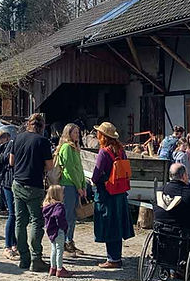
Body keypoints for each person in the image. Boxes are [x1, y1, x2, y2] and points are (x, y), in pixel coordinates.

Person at [10, 113, 53, 272]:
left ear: (29, 124)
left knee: (20, 221)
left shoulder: (18, 137)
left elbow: (11, 161)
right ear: (42, 127)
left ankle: (24, 258)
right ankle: (36, 258)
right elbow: (49, 166)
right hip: (34, 185)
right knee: (36, 221)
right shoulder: (42, 141)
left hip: (18, 183)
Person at [91, 122, 135, 269]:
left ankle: (113, 259)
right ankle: (116, 256)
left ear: (102, 136)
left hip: (107, 193)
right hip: (120, 192)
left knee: (109, 225)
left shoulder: (104, 152)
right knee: (117, 225)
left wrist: (95, 181)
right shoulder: (120, 150)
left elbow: (96, 176)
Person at [154, 163, 190, 251]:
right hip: (183, 232)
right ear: (184, 176)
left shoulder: (159, 191)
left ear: (170, 175)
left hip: (161, 230)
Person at [56, 123, 86, 257]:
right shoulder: (67, 148)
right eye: (74, 133)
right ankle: (64, 243)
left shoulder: (75, 148)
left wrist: (83, 184)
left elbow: (79, 168)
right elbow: (70, 170)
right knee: (68, 216)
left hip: (76, 185)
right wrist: (78, 186)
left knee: (73, 216)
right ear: (68, 133)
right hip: (68, 185)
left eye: (77, 133)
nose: (77, 135)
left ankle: (70, 240)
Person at [0, 130, 18, 260]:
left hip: (14, 182)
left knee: (15, 215)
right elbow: (3, 162)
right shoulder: (9, 146)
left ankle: (14, 244)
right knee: (12, 214)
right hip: (7, 182)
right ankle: (7, 246)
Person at [42, 185, 73, 277]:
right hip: (58, 230)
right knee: (60, 250)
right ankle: (60, 269)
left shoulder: (47, 206)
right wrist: (63, 226)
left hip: (50, 231)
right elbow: (59, 216)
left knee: (53, 249)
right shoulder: (58, 206)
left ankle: (53, 268)